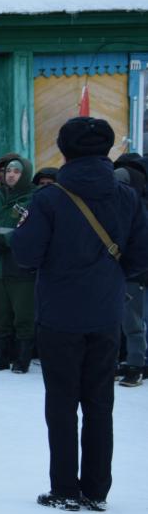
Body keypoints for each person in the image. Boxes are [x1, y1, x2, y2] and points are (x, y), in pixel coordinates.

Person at [12, 117, 148, 512]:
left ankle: (64, 488)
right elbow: (140, 256)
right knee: (100, 403)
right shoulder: (127, 196)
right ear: (106, 149)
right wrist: (108, 278)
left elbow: (26, 254)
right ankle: (96, 490)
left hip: (58, 313)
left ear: (64, 150)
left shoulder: (49, 198)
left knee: (61, 403)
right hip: (106, 312)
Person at [0, 156, 36, 373]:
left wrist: (5, 241)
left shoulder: (34, 198)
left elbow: (33, 229)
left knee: (24, 315)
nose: (10, 175)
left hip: (21, 269)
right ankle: (0, 357)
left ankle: (22, 359)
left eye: (16, 172)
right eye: (8, 171)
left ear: (25, 175)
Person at [113, 154, 148, 386]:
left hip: (132, 271)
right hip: (130, 270)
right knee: (130, 321)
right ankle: (133, 362)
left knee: (132, 322)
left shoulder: (128, 204)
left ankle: (135, 365)